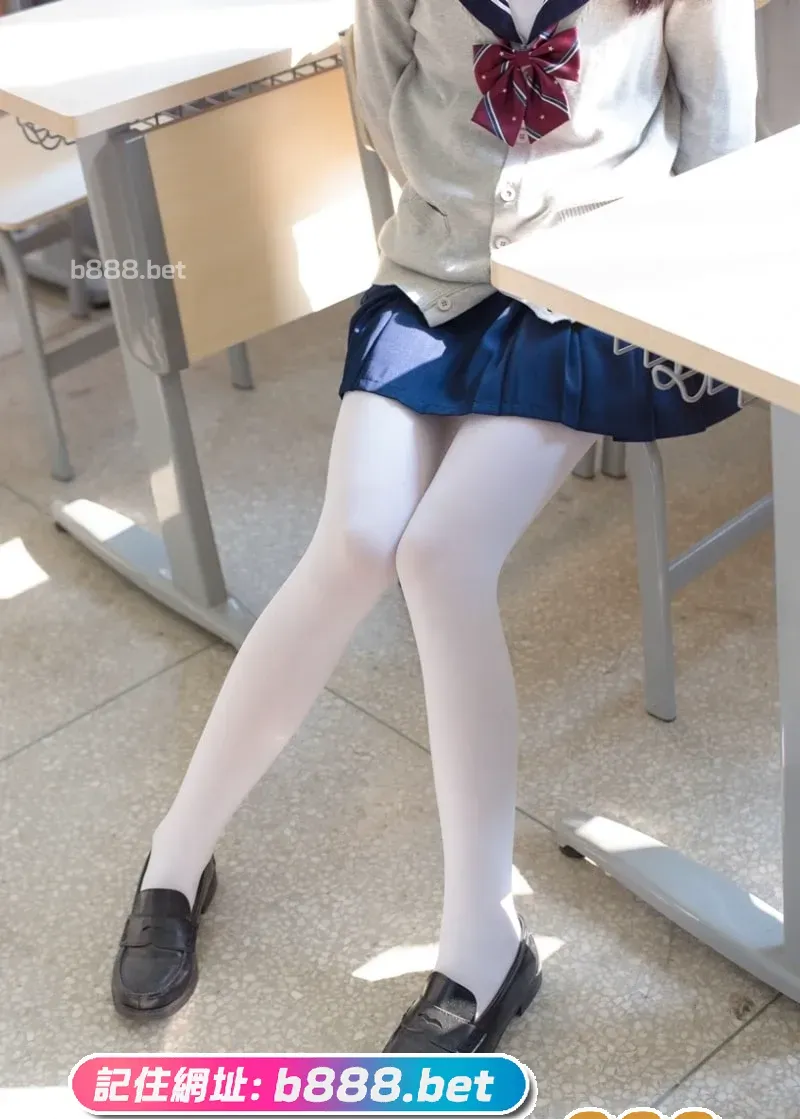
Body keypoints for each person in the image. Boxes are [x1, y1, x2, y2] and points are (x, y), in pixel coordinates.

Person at [111, 0, 757, 1053]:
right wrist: (461, 206)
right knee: (355, 542)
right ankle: (175, 858)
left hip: (584, 297)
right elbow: (381, 99)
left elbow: (718, 121)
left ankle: (482, 940)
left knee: (442, 554)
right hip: (429, 278)